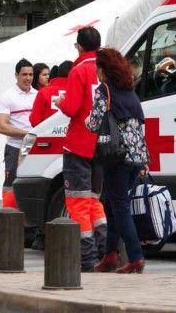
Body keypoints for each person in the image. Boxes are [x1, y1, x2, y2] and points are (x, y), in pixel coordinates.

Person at [86, 47, 149, 274]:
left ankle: (135, 257)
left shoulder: (105, 90)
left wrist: (84, 119)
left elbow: (93, 123)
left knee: (120, 208)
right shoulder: (131, 92)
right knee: (113, 205)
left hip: (117, 157)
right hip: (137, 157)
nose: (95, 71)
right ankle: (110, 255)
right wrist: (143, 161)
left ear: (103, 69)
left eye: (97, 67)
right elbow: (139, 127)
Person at [53, 26, 107, 272]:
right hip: (103, 143)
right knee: (95, 201)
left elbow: (73, 107)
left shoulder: (79, 69)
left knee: (77, 201)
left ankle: (86, 257)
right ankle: (105, 251)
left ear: (79, 47)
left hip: (80, 143)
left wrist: (60, 102)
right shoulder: (107, 68)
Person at [0, 58, 37, 208]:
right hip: (15, 147)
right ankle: (8, 216)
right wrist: (27, 134)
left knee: (33, 182)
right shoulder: (7, 97)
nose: (28, 78)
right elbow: (1, 127)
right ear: (16, 75)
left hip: (35, 147)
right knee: (11, 183)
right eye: (24, 74)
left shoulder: (38, 95)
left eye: (30, 74)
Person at [30, 60, 72, 127]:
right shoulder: (78, 92)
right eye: (44, 75)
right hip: (72, 135)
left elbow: (34, 121)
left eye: (48, 74)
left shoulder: (44, 92)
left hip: (48, 136)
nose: (47, 77)